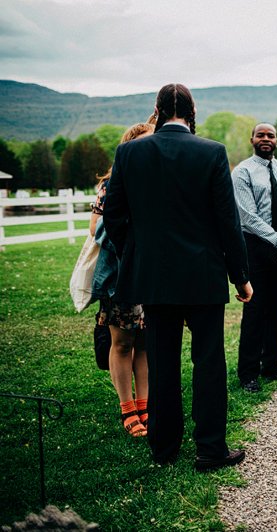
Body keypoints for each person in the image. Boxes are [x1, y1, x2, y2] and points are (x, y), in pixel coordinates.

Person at [104, 83, 253, 471]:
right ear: (192, 111)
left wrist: (136, 256)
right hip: (203, 276)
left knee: (162, 360)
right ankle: (210, 449)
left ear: (156, 110)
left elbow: (114, 216)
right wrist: (241, 277)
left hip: (153, 278)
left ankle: (164, 448)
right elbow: (227, 222)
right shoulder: (212, 152)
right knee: (208, 361)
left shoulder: (129, 152)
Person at [91, 122, 153, 438]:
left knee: (144, 342)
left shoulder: (157, 181)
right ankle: (127, 407)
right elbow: (95, 229)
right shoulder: (112, 183)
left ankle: (145, 405)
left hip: (151, 274)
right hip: (120, 274)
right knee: (122, 341)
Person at [232, 123, 277, 393]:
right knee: (255, 309)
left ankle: (271, 365)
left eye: (270, 135)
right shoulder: (242, 172)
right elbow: (247, 217)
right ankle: (248, 372)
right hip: (256, 245)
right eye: (260, 135)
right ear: (252, 138)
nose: (265, 139)